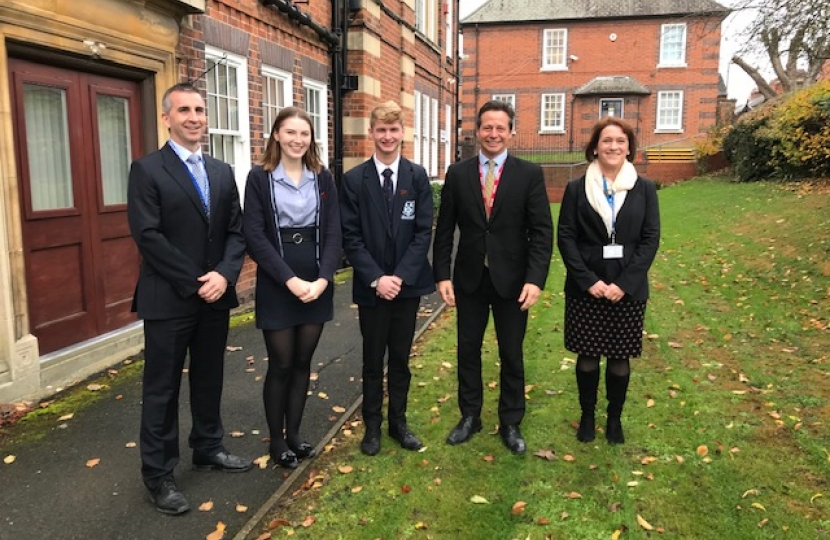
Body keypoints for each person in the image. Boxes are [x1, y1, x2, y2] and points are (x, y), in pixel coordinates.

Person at [127, 83, 251, 516]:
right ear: (167, 118)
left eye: (200, 109)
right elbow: (148, 236)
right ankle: (159, 475)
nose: (195, 116)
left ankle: (208, 445)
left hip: (215, 296)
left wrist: (225, 274)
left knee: (209, 376)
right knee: (161, 389)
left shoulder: (220, 171)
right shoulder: (147, 169)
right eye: (184, 110)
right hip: (169, 298)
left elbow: (237, 230)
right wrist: (198, 280)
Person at [433, 100, 553, 454]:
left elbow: (542, 232)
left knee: (512, 353)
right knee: (467, 349)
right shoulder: (458, 174)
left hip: (513, 282)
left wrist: (536, 279)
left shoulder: (529, 174)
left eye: (501, 127)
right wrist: (442, 274)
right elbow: (444, 230)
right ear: (478, 131)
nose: (494, 134)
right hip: (469, 279)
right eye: (487, 127)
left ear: (511, 132)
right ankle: (470, 415)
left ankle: (511, 421)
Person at [243, 107, 341, 469]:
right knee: (281, 363)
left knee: (303, 362)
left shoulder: (323, 178)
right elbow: (254, 234)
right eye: (290, 132)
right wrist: (290, 280)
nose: (298, 139)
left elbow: (334, 232)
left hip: (315, 279)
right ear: (276, 136)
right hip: (278, 278)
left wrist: (323, 279)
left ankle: (296, 434)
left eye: (304, 133)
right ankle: (277, 440)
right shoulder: (260, 178)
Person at [557, 117, 660, 445]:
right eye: (606, 141)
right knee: (587, 359)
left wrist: (625, 284)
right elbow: (566, 238)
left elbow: (650, 239)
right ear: (595, 147)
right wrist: (588, 281)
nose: (613, 146)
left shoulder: (644, 188)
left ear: (630, 147)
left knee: (619, 359)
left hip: (626, 290)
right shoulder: (576, 188)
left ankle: (614, 419)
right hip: (587, 288)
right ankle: (587, 416)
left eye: (620, 141)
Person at [340, 101, 435, 456]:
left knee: (399, 358)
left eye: (394, 130)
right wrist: (378, 278)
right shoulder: (354, 180)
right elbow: (350, 236)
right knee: (371, 360)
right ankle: (372, 428)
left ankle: (399, 423)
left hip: (406, 288)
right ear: (372, 133)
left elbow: (423, 232)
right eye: (381, 130)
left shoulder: (416, 176)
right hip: (372, 289)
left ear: (402, 133)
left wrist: (400, 277)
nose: (387, 136)